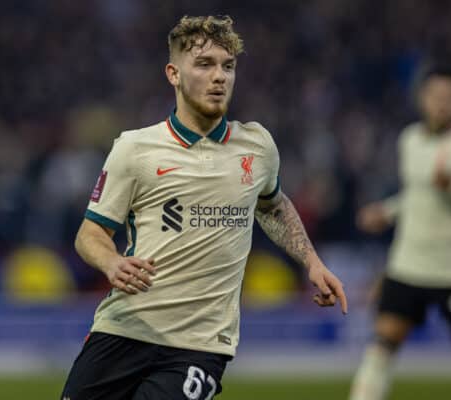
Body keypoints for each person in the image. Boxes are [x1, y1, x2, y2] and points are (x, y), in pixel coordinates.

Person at [61, 15, 347, 400]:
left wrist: (312, 261)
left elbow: (274, 206)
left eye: (227, 67)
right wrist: (112, 263)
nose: (220, 77)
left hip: (201, 344)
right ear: (173, 74)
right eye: (204, 64)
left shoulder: (257, 147)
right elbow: (90, 234)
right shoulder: (134, 149)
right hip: (124, 329)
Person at [349, 66, 451, 400]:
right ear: (422, 99)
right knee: (382, 344)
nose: (442, 104)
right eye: (436, 96)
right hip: (408, 264)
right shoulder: (410, 139)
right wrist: (386, 212)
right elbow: (417, 195)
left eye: (450, 97)